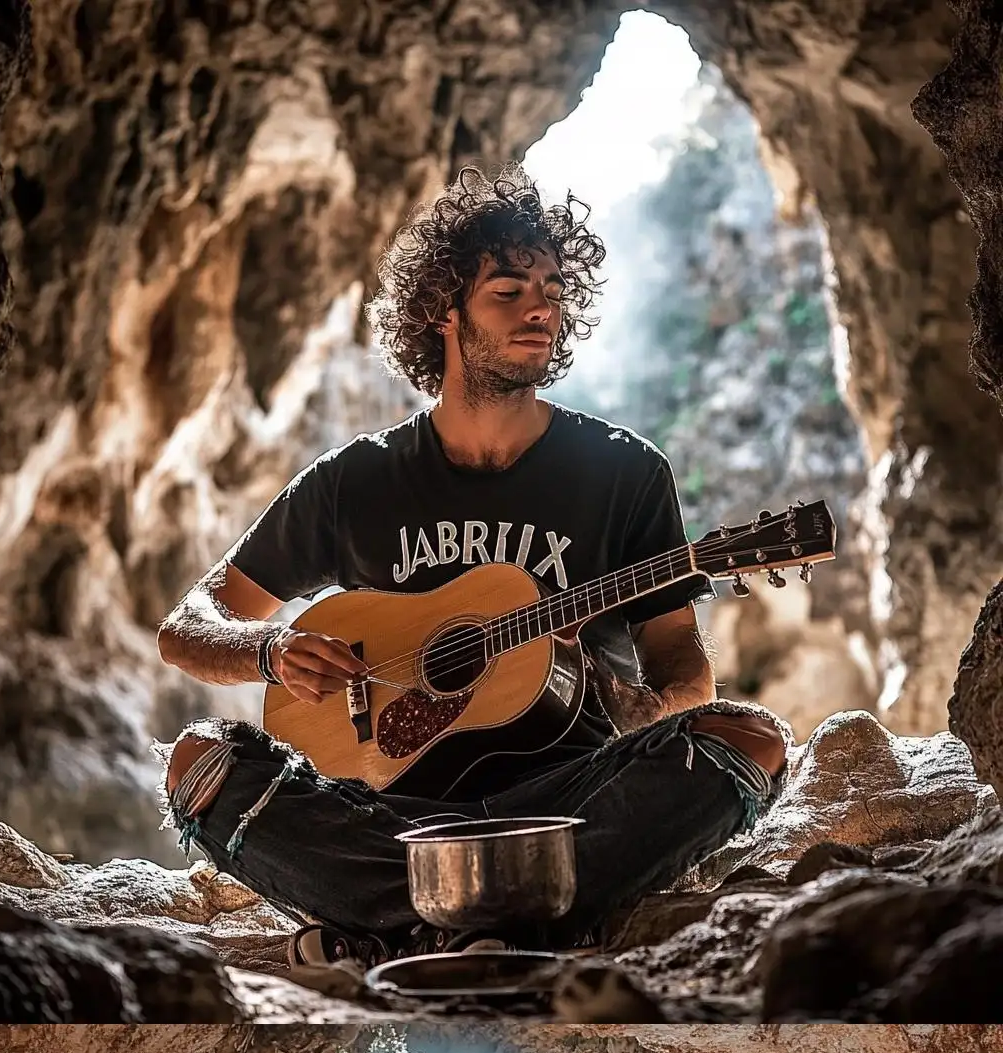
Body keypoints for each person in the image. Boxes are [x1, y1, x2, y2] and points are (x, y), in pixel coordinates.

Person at [156, 168, 790, 965]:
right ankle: (520, 913)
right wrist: (270, 651)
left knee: (749, 740)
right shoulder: (354, 481)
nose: (541, 309)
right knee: (197, 761)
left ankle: (397, 922)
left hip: (569, 799)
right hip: (385, 810)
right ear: (441, 311)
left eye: (555, 290)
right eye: (509, 289)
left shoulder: (626, 472)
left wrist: (632, 704)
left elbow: (684, 669)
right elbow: (187, 626)